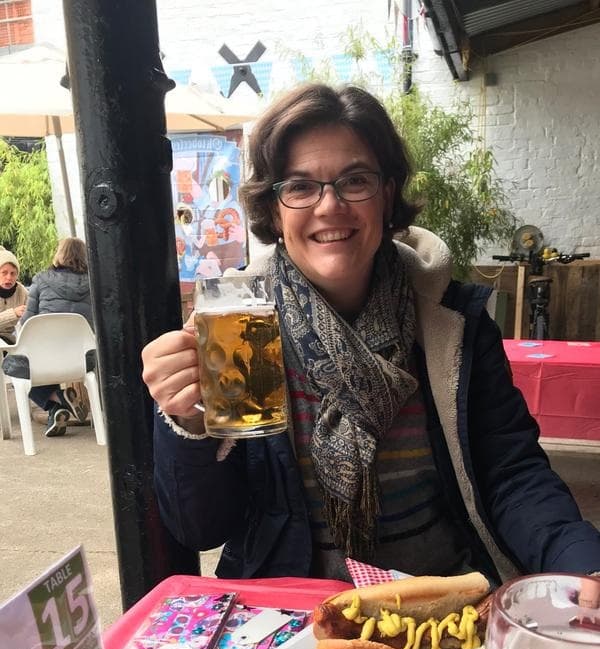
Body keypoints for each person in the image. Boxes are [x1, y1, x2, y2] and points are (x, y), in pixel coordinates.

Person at [141, 83, 600, 583]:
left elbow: (511, 475)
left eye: (354, 180)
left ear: (386, 194)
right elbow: (203, 528)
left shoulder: (452, 320)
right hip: (293, 613)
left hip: (441, 601)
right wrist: (189, 426)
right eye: (300, 186)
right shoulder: (239, 332)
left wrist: (581, 562)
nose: (329, 205)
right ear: (274, 210)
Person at [3, 237, 92, 438]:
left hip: (44, 359)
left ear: (60, 254)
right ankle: (55, 411)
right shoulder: (95, 283)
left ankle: (58, 399)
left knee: (12, 365)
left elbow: (27, 324)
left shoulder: (41, 281)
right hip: (83, 360)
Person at [0, 247, 28, 344]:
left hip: (13, 342)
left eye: (13, 273)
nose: (9, 277)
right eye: (4, 273)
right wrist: (14, 314)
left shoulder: (22, 292)